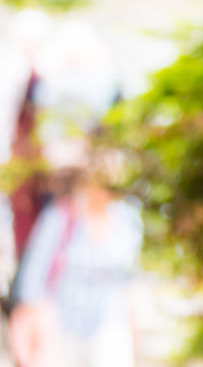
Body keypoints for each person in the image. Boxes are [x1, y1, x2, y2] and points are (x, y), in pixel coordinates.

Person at [9, 141, 142, 367]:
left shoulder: (128, 220)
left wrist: (133, 322)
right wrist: (27, 323)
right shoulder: (62, 216)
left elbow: (128, 277)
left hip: (107, 321)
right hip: (59, 321)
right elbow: (34, 272)